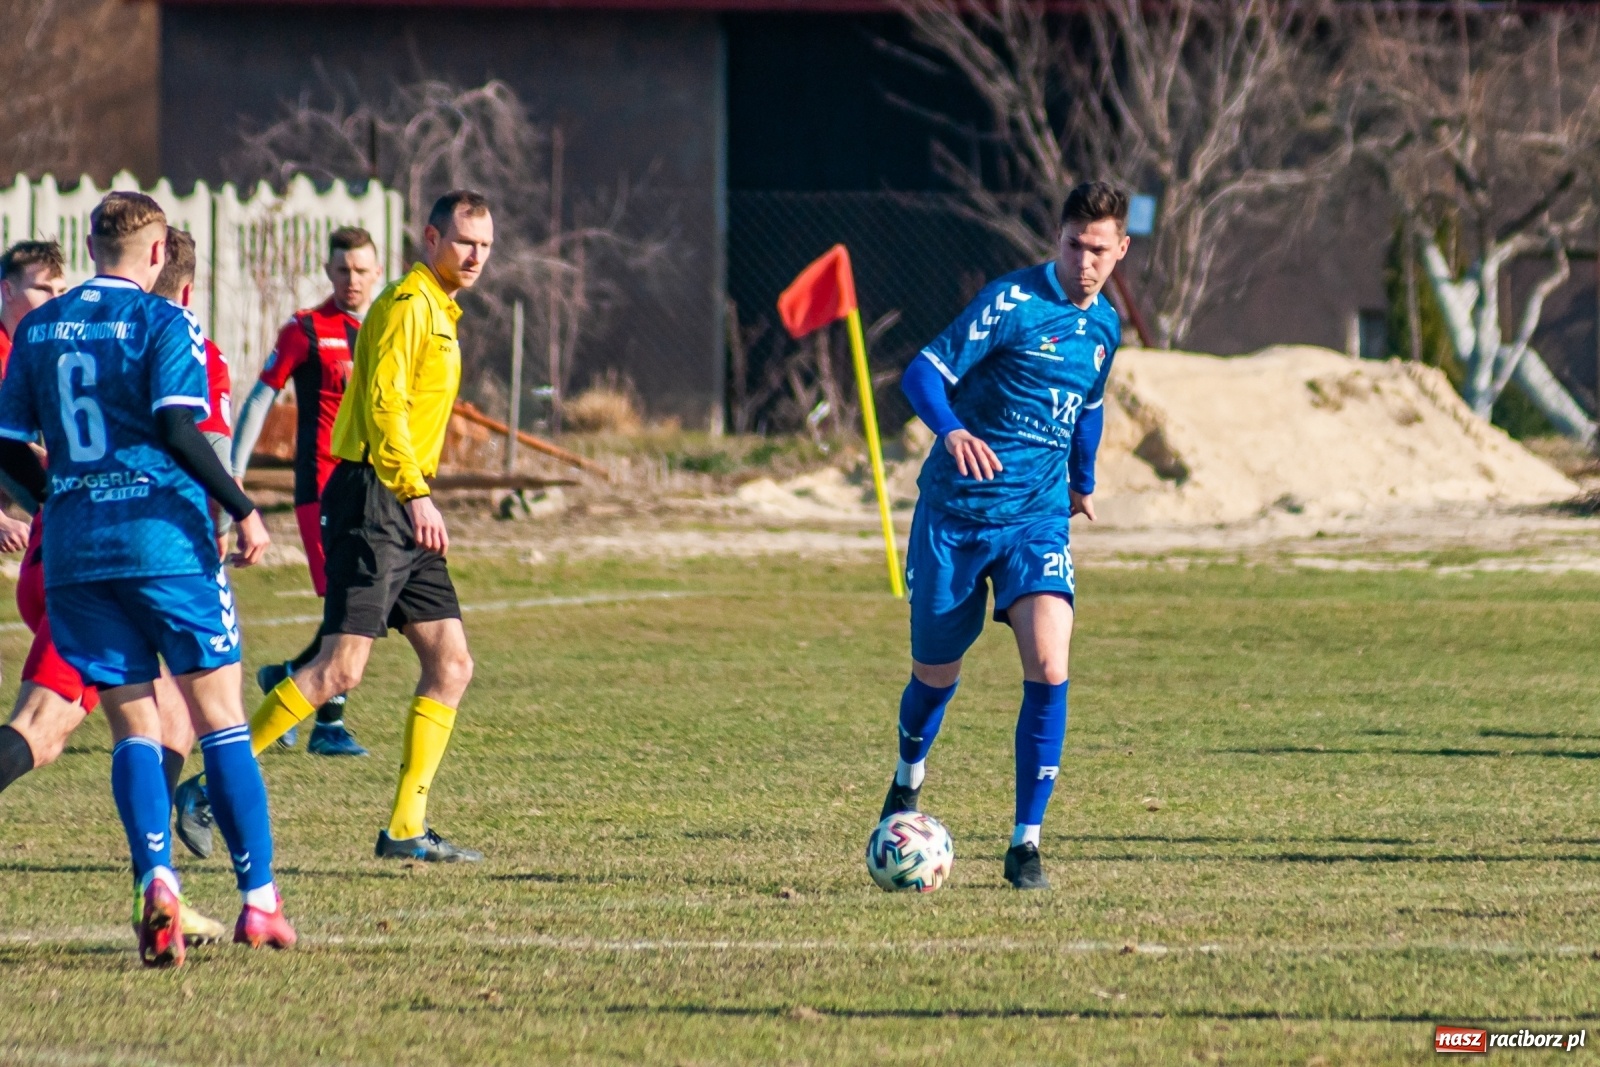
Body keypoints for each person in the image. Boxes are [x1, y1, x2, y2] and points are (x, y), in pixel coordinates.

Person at [0, 192, 295, 966]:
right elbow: (176, 426)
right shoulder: (167, 323)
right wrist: (244, 508)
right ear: (159, 253)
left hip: (76, 553)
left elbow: (5, 444)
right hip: (165, 542)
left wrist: (57, 495)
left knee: (133, 723)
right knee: (220, 715)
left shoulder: (36, 327)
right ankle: (259, 901)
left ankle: (157, 876)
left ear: (90, 245)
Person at [180, 190, 491, 864]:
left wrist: (417, 494)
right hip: (377, 495)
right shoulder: (410, 305)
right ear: (431, 237)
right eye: (464, 240)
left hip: (402, 499)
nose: (475, 255)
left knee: (452, 662)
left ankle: (406, 827)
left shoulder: (439, 309)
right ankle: (205, 787)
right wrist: (414, 494)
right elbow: (382, 407)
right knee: (339, 667)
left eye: (485, 245)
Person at [880, 180, 1128, 890]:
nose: (1085, 261)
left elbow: (1088, 408)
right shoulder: (1011, 303)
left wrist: (1082, 480)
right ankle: (908, 776)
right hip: (955, 516)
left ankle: (1025, 844)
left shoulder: (1105, 327)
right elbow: (924, 372)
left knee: (1050, 664)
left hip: (1036, 518)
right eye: (1074, 245)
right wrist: (952, 430)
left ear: (1121, 251)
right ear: (1058, 239)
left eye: (1099, 250)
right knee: (936, 674)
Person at [231, 227, 384, 757]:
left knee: (360, 603)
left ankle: (286, 676)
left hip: (373, 488)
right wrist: (234, 471)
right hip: (321, 490)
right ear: (328, 272)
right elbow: (259, 400)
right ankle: (329, 725)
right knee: (345, 604)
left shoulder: (387, 329)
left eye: (362, 270)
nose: (352, 280)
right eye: (342, 270)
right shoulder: (307, 329)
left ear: (378, 272)